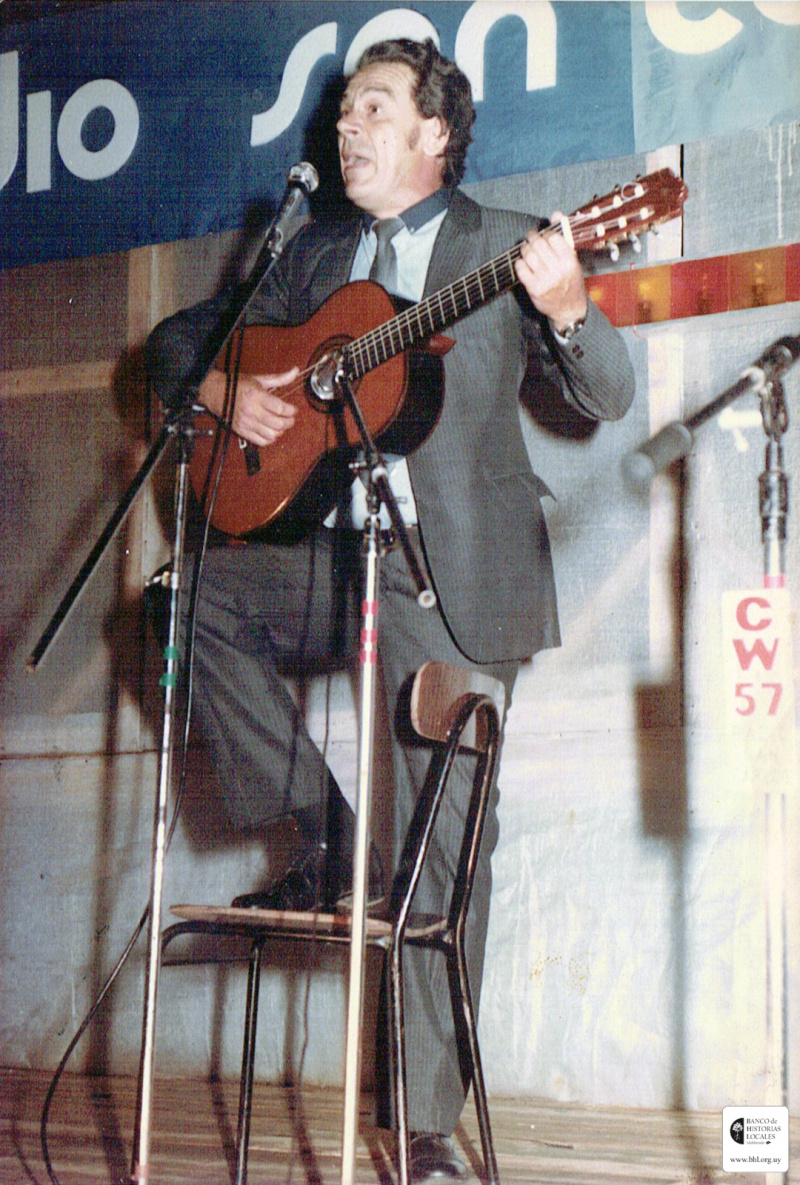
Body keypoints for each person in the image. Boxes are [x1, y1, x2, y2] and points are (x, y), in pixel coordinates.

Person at [145, 37, 635, 1183]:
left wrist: (567, 307)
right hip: (330, 557)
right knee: (185, 594)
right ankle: (323, 834)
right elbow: (173, 341)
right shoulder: (314, 253)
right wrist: (225, 389)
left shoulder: (499, 243)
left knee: (441, 848)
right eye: (343, 110)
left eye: (372, 107)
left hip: (445, 580)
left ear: (433, 133)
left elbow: (606, 394)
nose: (345, 127)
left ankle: (417, 1129)